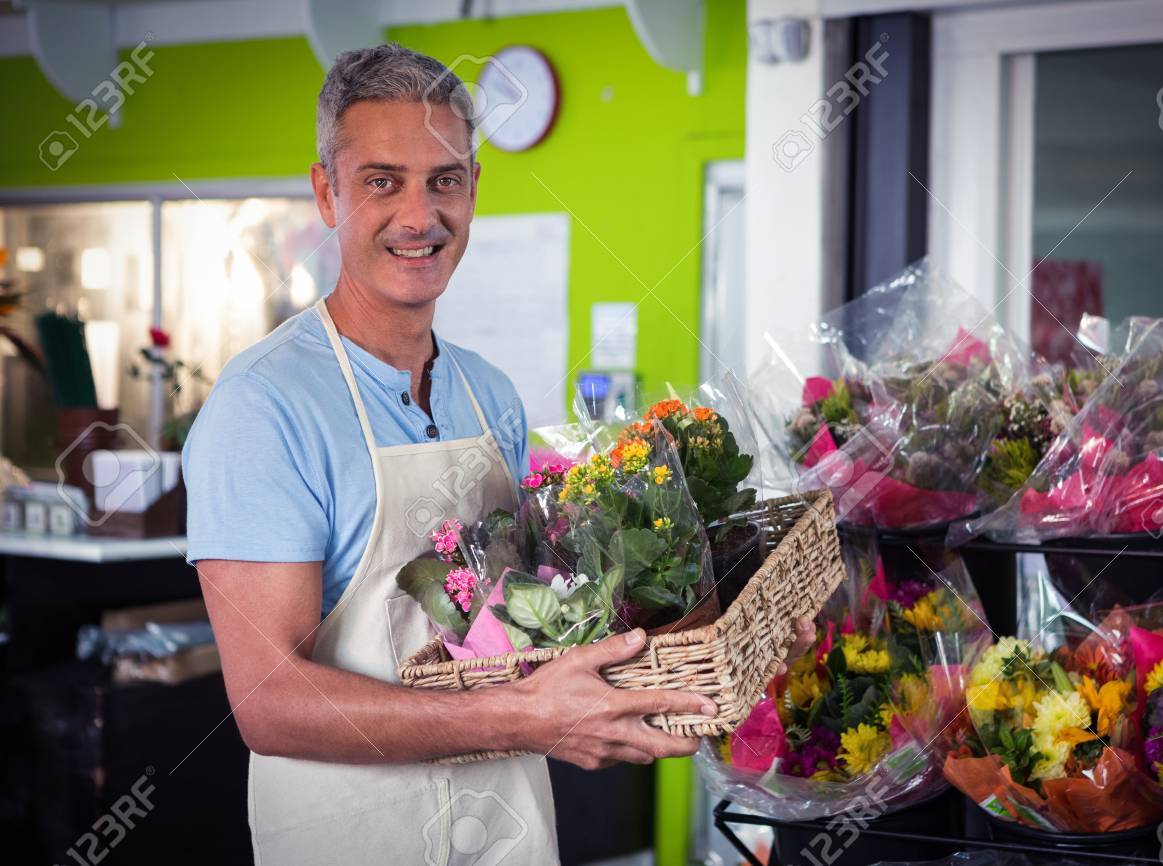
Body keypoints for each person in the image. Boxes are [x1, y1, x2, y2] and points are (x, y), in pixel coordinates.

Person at [182, 43, 812, 865]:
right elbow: (271, 704)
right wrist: (523, 718)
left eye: (444, 180)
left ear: (474, 192)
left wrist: (723, 636)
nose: (419, 216)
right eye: (382, 181)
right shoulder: (262, 406)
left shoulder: (491, 396)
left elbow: (535, 635)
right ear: (326, 192)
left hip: (509, 834)